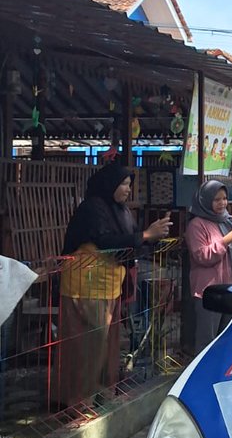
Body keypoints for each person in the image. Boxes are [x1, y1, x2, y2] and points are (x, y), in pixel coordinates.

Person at [55, 164, 171, 409]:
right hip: (85, 286)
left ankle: (102, 393)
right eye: (124, 184)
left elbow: (130, 242)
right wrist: (145, 235)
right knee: (87, 345)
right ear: (110, 185)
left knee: (106, 346)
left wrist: (152, 237)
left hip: (109, 286)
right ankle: (78, 402)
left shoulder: (121, 211)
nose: (128, 189)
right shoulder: (92, 209)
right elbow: (106, 241)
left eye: (129, 184)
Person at [184, 180, 232, 355]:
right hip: (210, 292)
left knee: (229, 338)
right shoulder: (196, 225)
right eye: (216, 199)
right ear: (205, 201)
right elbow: (202, 256)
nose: (222, 203)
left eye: (224, 198)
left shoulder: (229, 221)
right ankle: (204, 370)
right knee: (208, 341)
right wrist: (228, 238)